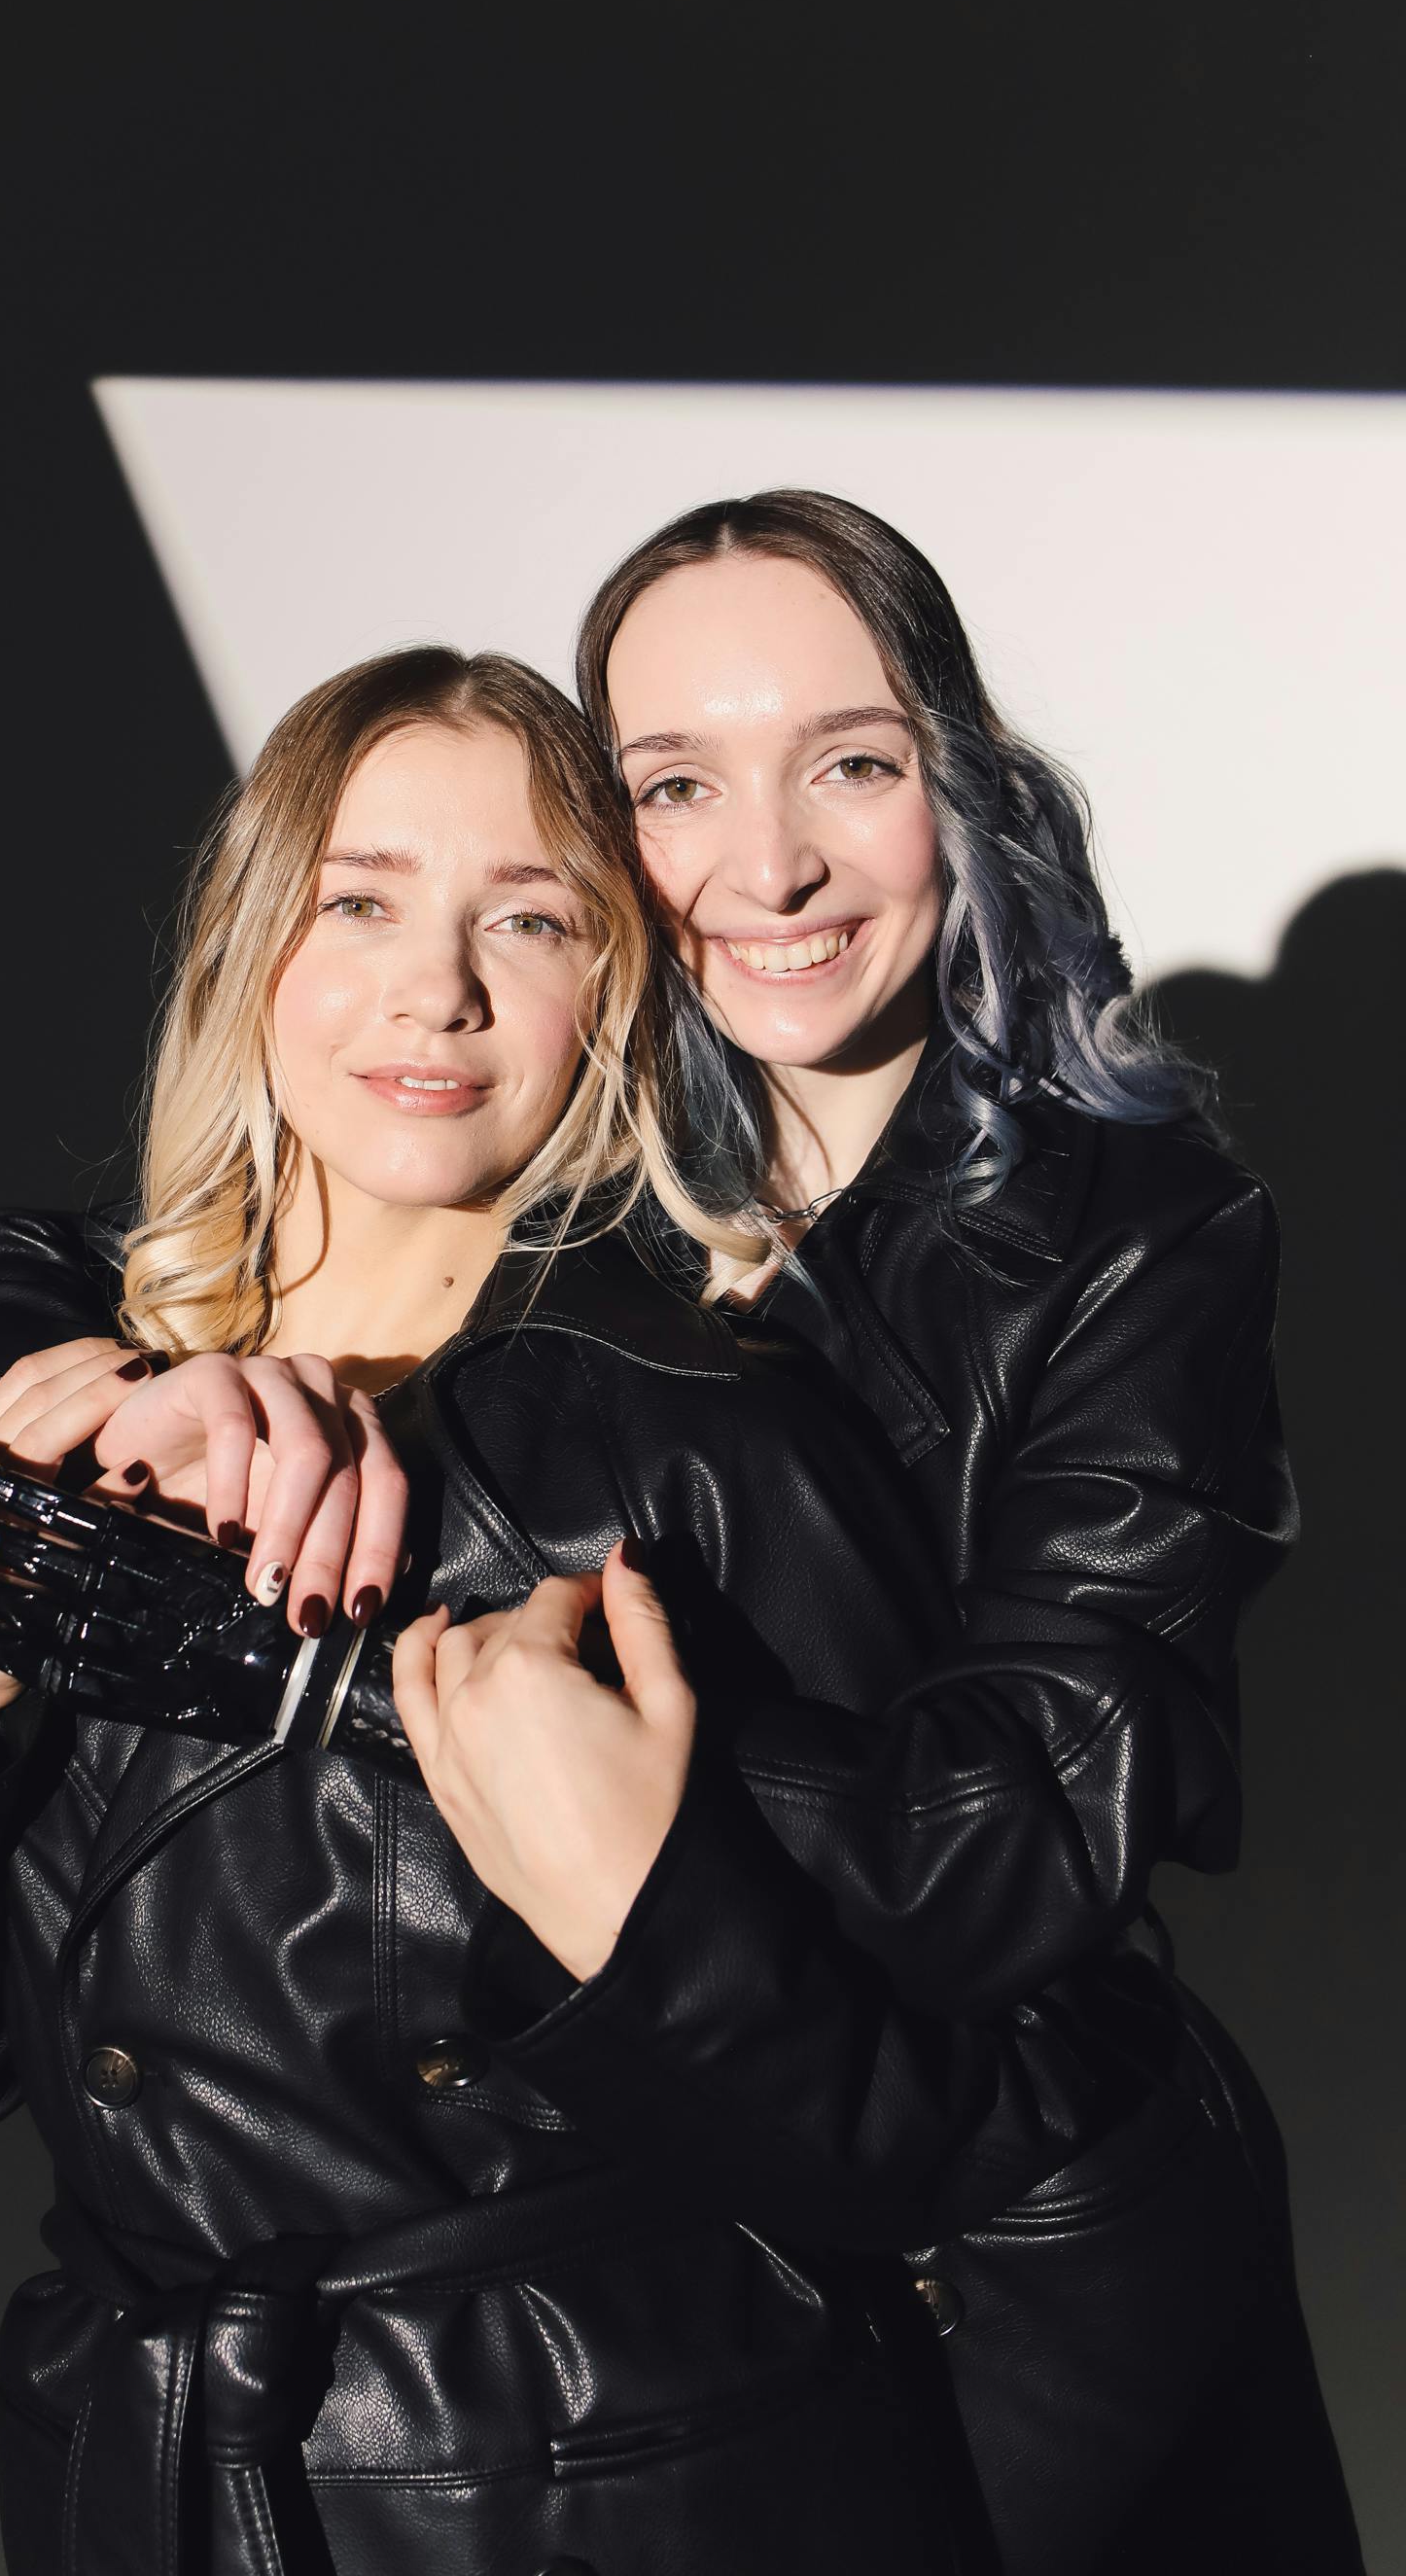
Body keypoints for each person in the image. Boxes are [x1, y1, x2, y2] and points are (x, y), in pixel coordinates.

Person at [0, 649, 1163, 2576]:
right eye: (361, 903)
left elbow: (941, 2109)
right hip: (148, 2471)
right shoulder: (69, 1393)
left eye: (530, 916)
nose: (438, 990)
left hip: (612, 2486)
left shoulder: (700, 1441)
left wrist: (637, 1906)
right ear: (249, 948)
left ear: (617, 991)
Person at [568, 487, 1362, 2571]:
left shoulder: (1139, 1239)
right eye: (674, 784)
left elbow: (1017, 1835)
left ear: (960, 785)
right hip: (622, 2274)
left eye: (849, 762)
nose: (769, 868)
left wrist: (568, 1747)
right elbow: (152, 1241)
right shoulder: (549, 1212)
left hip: (1012, 2258)